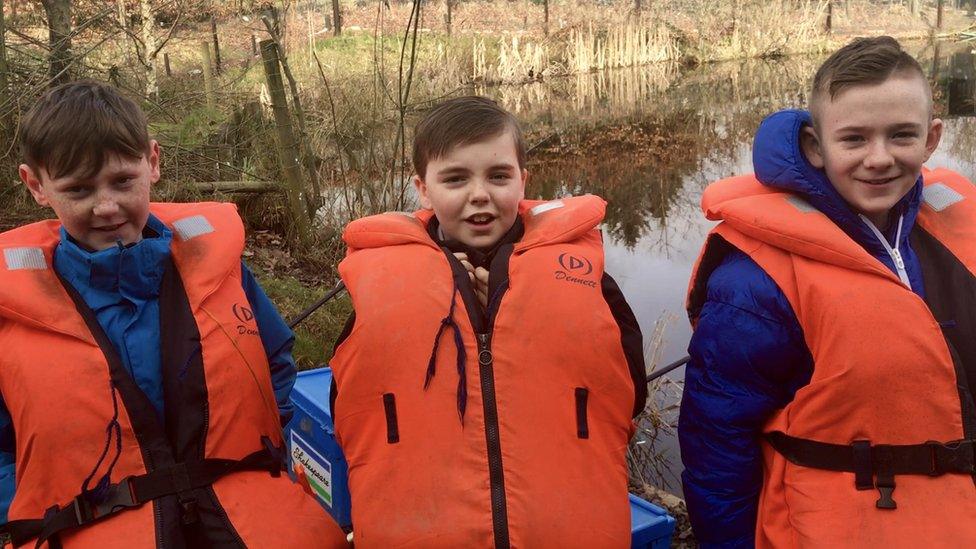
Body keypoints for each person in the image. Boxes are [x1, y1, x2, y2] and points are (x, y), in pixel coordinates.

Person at [0, 81, 347, 547]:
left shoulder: (222, 270)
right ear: (36, 185)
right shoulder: (11, 311)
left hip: (241, 516)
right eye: (78, 189)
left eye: (123, 181)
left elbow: (276, 359)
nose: (106, 207)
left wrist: (262, 451)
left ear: (153, 162)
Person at [680, 36, 976, 548]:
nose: (879, 158)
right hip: (836, 529)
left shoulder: (958, 229)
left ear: (931, 139)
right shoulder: (755, 280)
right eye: (854, 139)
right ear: (816, 147)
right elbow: (718, 446)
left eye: (901, 135)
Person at [328, 96, 647, 547]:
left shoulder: (587, 280)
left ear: (523, 181)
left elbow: (629, 394)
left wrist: (505, 319)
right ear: (422, 188)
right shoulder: (380, 287)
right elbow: (350, 408)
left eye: (498, 176)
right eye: (455, 178)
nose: (480, 194)